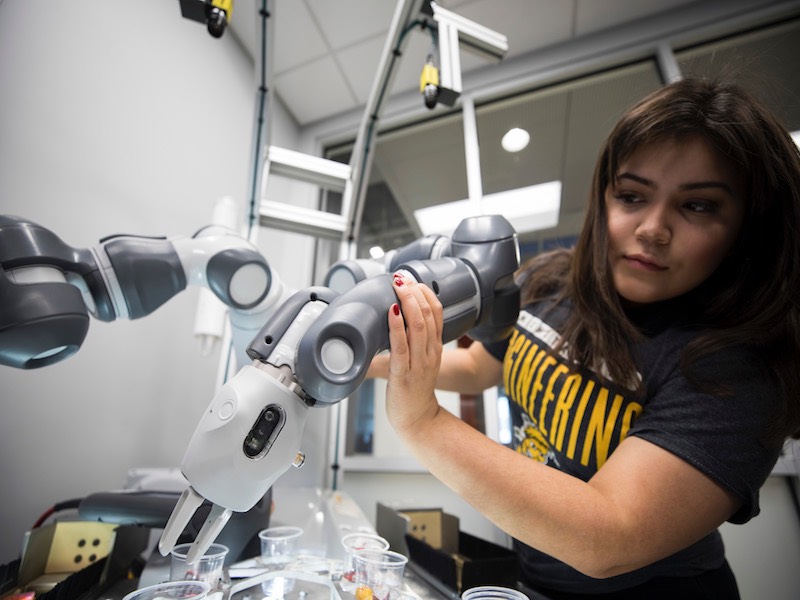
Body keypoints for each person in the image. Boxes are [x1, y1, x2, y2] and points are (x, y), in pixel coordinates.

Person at [368, 77, 800, 599]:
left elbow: (608, 535)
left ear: (746, 228)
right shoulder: (551, 279)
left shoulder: (737, 371)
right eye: (632, 195)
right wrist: (376, 354)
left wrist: (421, 421)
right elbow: (484, 365)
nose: (652, 228)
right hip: (538, 578)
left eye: (699, 206)